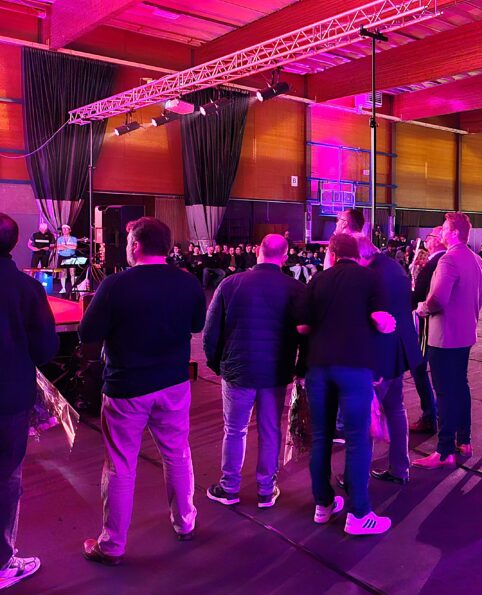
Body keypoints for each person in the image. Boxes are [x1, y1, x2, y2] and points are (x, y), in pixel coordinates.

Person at [78, 217, 207, 564]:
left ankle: (112, 545)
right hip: (174, 383)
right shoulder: (188, 282)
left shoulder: (115, 285)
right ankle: (185, 523)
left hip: (127, 388)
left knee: (120, 465)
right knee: (177, 454)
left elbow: (87, 334)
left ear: (135, 245)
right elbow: (197, 325)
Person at [296, 233, 396, 536]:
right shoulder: (370, 278)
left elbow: (302, 326)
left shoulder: (317, 280)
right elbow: (380, 319)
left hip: (318, 367)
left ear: (332, 253)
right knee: (357, 439)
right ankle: (359, 513)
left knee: (321, 438)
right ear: (357, 255)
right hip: (354, 367)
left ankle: (323, 504)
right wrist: (386, 326)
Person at [203, 234, 304, 509]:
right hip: (275, 372)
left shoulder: (230, 283)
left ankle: (229, 487)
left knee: (235, 430)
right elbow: (304, 333)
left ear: (258, 250)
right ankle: (266, 490)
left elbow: (211, 331)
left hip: (238, 369)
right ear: (285, 257)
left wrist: (218, 364)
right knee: (270, 430)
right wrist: (298, 368)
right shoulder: (295, 288)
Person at [0, 214, 58, 589]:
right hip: (8, 397)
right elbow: (45, 349)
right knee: (6, 479)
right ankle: (2, 563)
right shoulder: (27, 289)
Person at [412, 213, 482, 470]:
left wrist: (422, 308)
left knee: (444, 392)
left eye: (444, 228)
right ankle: (464, 440)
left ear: (453, 233)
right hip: (465, 333)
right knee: (461, 386)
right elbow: (480, 297)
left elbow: (438, 300)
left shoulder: (448, 260)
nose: (441, 232)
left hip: (445, 336)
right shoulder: (476, 259)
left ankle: (444, 451)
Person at [359, 238, 424, 484]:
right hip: (400, 348)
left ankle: (358, 475)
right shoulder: (393, 267)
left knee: (366, 413)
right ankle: (400, 467)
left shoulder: (372, 275)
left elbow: (373, 316)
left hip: (381, 352)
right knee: (396, 408)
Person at [409, 227, 446, 433]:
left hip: (427, 323)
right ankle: (437, 413)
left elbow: (419, 296)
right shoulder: (443, 261)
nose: (426, 239)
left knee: (418, 366)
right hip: (441, 325)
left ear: (438, 240)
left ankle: (430, 414)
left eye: (430, 236)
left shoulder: (435, 263)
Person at [56, 224, 78, 298]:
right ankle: (63, 288)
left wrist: (64, 246)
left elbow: (74, 247)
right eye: (63, 229)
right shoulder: (59, 239)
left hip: (71, 257)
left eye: (66, 229)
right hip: (62, 257)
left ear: (70, 230)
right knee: (63, 273)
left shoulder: (74, 238)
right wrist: (69, 246)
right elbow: (59, 248)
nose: (64, 230)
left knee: (72, 273)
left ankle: (73, 287)